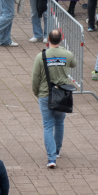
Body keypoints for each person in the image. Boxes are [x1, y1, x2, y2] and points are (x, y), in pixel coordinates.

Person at [30, 29, 76, 169]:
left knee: (48, 125)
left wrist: (36, 92)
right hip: (62, 94)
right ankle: (57, 151)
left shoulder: (41, 56)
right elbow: (73, 64)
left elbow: (35, 77)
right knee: (60, 123)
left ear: (48, 39)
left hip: (45, 94)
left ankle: (51, 158)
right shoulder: (67, 54)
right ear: (61, 39)